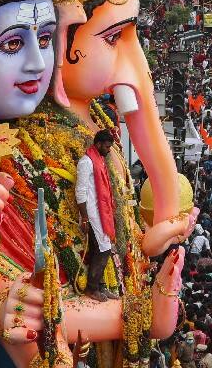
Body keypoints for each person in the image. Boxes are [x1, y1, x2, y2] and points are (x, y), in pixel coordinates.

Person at [76, 129, 119, 302]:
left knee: (101, 249)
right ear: (98, 144)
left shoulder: (99, 160)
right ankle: (92, 288)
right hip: (93, 215)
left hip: (102, 215)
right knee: (104, 250)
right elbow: (80, 191)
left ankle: (101, 286)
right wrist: (85, 217)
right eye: (107, 146)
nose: (109, 150)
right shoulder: (86, 162)